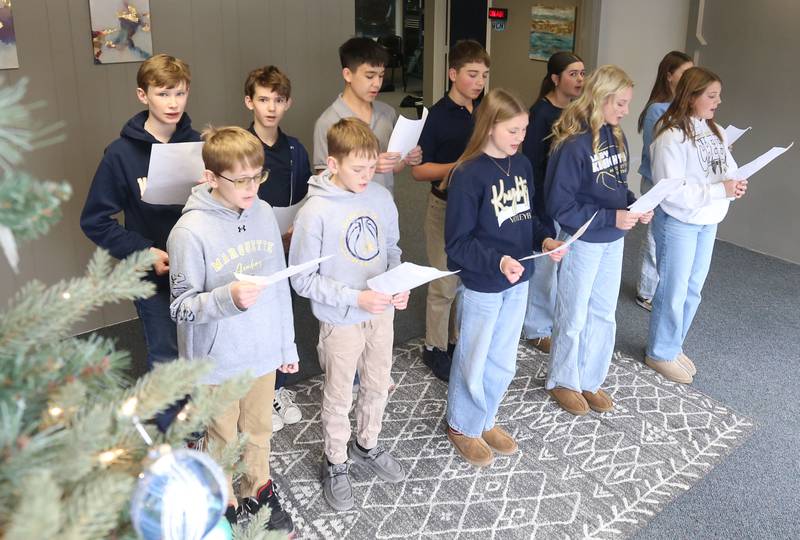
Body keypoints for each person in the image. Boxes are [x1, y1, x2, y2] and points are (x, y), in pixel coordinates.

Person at [167, 127, 298, 533]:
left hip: (262, 350)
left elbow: (279, 285)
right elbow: (180, 307)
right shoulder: (188, 233)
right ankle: (223, 500)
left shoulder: (262, 211)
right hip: (216, 361)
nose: (252, 187)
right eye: (240, 180)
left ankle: (258, 489)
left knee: (258, 429)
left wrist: (287, 344)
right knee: (221, 435)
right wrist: (228, 299)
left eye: (258, 176)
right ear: (211, 177)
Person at [290, 118, 410, 511]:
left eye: (372, 167)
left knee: (378, 383)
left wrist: (399, 283)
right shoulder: (315, 212)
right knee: (339, 394)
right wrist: (356, 298)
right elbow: (302, 280)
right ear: (332, 163)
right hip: (341, 318)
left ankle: (367, 444)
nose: (366, 176)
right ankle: (336, 460)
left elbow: (392, 250)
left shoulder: (380, 197)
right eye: (357, 168)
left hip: (381, 313)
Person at [443, 88, 565, 467]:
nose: (520, 137)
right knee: (474, 357)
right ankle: (461, 425)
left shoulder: (522, 165)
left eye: (524, 130)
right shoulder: (468, 174)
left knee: (503, 359)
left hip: (520, 278)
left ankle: (486, 418)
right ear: (490, 126)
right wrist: (498, 262)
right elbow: (457, 245)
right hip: (483, 283)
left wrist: (544, 239)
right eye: (513, 130)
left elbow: (528, 219)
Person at [80, 54, 200, 432]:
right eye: (163, 93)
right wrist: (143, 251)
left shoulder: (199, 144)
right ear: (142, 95)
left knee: (201, 351)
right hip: (152, 276)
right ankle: (171, 435)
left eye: (179, 93)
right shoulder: (120, 154)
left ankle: (203, 427)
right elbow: (95, 220)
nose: (173, 103)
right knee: (166, 355)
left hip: (200, 271)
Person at [544, 65, 652, 416]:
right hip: (583, 240)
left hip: (613, 238)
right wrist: (611, 217)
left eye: (627, 103)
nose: (626, 111)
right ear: (600, 98)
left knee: (604, 311)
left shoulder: (616, 136)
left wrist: (634, 205)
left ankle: (589, 378)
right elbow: (560, 206)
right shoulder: (572, 144)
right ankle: (563, 380)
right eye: (620, 103)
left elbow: (617, 189)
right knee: (573, 311)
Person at [645, 67, 747, 383]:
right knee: (673, 289)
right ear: (691, 97)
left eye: (719, 95)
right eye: (712, 96)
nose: (719, 101)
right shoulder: (670, 136)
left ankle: (673, 345)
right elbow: (671, 190)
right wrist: (719, 190)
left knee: (693, 289)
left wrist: (735, 183)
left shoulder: (715, 130)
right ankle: (659, 352)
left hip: (707, 220)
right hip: (679, 221)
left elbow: (727, 169)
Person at [411, 39, 490, 381]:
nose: (479, 82)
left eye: (484, 75)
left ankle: (455, 339)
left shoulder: (484, 109)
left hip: (477, 209)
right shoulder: (436, 116)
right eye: (472, 74)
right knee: (443, 281)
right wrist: (461, 166)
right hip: (443, 206)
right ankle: (434, 348)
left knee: (466, 277)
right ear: (453, 74)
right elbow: (418, 171)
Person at [243, 64, 312, 431]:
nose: (271, 108)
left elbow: (304, 195)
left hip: (285, 246)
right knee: (252, 321)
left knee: (283, 318)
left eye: (278, 100)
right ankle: (256, 393)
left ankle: (277, 387)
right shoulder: (239, 147)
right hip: (249, 249)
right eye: (263, 99)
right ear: (249, 101)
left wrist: (296, 226)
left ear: (288, 104)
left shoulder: (295, 149)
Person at [521, 51, 585, 354]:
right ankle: (536, 328)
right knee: (545, 266)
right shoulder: (540, 114)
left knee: (564, 263)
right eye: (573, 74)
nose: (580, 79)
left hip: (568, 201)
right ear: (555, 79)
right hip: (545, 201)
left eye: (582, 73)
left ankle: (552, 319)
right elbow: (532, 165)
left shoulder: (576, 111)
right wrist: (537, 207)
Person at [313, 36, 421, 195]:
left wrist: (406, 158)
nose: (377, 84)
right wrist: (369, 165)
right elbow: (323, 179)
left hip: (383, 203)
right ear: (347, 74)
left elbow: (392, 167)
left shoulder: (387, 113)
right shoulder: (328, 122)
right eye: (370, 76)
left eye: (381, 75)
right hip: (348, 207)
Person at [634, 51, 694, 311]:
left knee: (667, 235)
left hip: (676, 182)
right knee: (654, 238)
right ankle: (646, 291)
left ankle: (659, 288)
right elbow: (655, 150)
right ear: (669, 76)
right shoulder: (657, 109)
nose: (690, 77)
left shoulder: (685, 107)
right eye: (684, 72)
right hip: (656, 181)